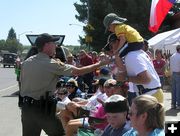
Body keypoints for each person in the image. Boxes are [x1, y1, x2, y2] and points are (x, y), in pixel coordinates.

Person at [19, 33, 110, 136]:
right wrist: (100, 64)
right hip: (42, 110)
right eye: (54, 43)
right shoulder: (50, 63)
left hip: (26, 109)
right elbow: (78, 71)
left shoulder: (27, 62)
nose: (56, 46)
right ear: (47, 45)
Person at [103, 33, 164, 103]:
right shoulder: (133, 53)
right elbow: (124, 71)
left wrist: (126, 78)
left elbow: (146, 79)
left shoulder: (131, 56)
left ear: (117, 42)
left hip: (151, 96)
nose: (112, 50)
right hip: (150, 94)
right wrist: (117, 57)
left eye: (111, 46)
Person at [169, 45, 180, 109]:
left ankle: (173, 104)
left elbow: (171, 65)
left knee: (173, 90)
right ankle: (178, 104)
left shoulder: (172, 56)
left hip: (172, 74)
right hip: (178, 74)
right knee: (178, 90)